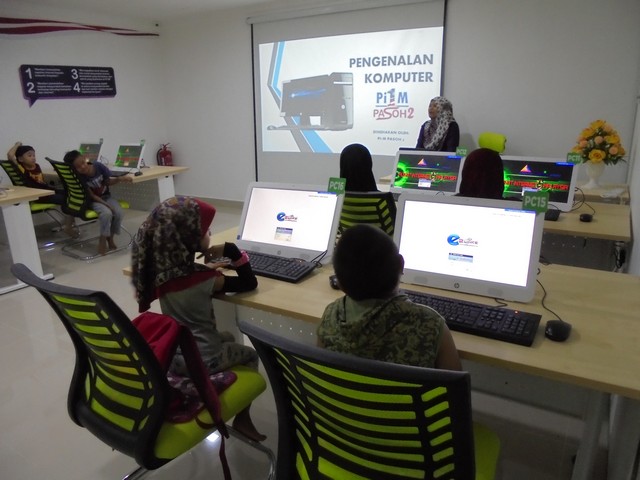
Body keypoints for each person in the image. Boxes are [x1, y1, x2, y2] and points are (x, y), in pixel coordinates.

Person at [131, 196, 265, 442]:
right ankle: (243, 418)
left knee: (227, 335)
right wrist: (233, 251)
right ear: (188, 239)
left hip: (175, 355)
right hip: (205, 359)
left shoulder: (160, 274)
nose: (209, 232)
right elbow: (249, 282)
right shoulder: (205, 280)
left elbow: (187, 279)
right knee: (250, 354)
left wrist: (206, 267)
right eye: (205, 230)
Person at [317, 224, 462, 370]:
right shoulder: (431, 325)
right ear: (401, 264)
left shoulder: (330, 317)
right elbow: (457, 383)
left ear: (340, 284)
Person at [64, 149, 132, 255]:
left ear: (84, 158)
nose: (83, 167)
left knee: (119, 212)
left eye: (83, 163)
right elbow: (91, 195)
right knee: (106, 213)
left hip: (106, 197)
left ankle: (110, 237)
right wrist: (106, 205)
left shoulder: (98, 166)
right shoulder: (79, 176)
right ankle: (102, 238)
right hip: (92, 201)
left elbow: (107, 182)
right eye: (78, 167)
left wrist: (119, 179)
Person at [7, 141, 77, 237]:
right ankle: (68, 226)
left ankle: (70, 222)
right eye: (29, 155)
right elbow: (10, 155)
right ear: (20, 159)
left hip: (46, 191)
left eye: (34, 155)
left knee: (71, 193)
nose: (33, 157)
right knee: (67, 199)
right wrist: (17, 144)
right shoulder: (21, 168)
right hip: (39, 195)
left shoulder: (37, 166)